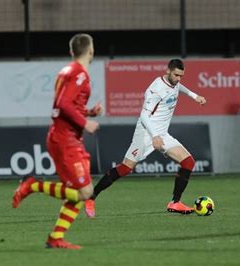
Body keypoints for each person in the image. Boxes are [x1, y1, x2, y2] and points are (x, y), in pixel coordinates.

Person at [84, 59, 207, 218]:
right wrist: (154, 136)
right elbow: (144, 115)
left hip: (162, 134)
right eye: (176, 75)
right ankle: (91, 196)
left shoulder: (174, 82)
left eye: (181, 76)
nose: (178, 79)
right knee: (125, 168)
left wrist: (194, 96)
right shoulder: (156, 89)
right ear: (168, 71)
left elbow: (178, 87)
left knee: (188, 162)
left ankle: (175, 202)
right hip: (146, 133)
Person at [12, 33, 101, 249]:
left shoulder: (66, 71)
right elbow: (62, 104)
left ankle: (55, 238)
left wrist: (88, 112)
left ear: (72, 51)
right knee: (85, 192)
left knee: (78, 193)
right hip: (65, 139)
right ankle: (32, 185)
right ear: (90, 51)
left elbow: (67, 104)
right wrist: (85, 122)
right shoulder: (80, 73)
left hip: (66, 137)